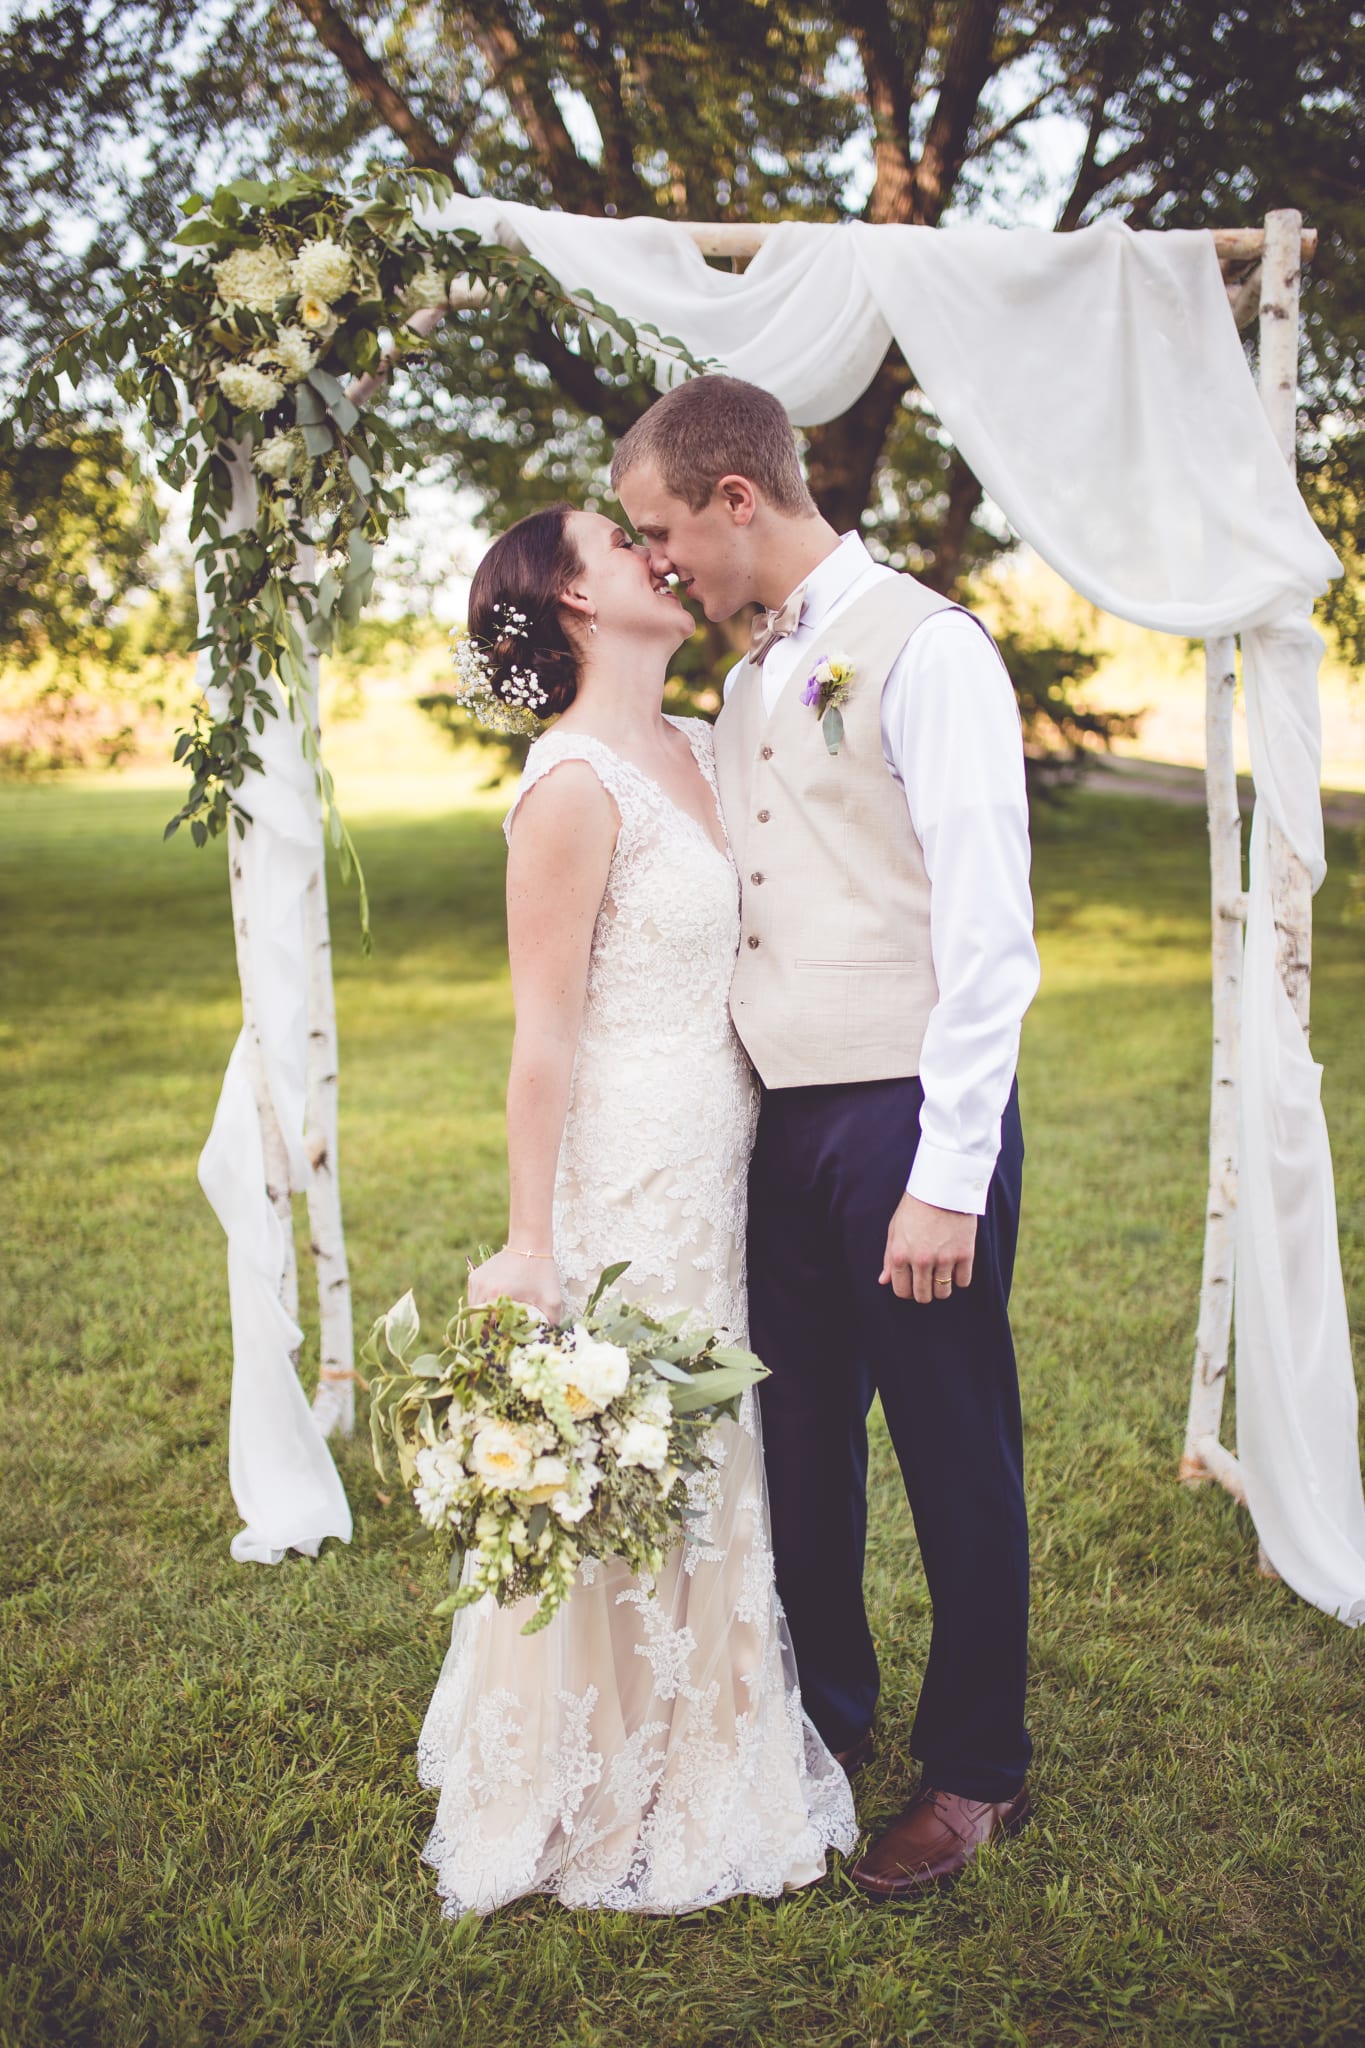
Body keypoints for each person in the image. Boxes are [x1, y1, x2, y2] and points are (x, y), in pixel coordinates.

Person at [613, 373, 1040, 1898]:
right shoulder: (744, 680)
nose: (656, 560)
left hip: (905, 1116)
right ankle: (822, 1722)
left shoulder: (928, 653)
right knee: (799, 1447)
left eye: (663, 530)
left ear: (737, 499)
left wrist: (944, 1176)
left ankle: (979, 1768)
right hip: (776, 1127)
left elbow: (992, 939)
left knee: (949, 1446)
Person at [417, 502, 856, 1916]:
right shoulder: (569, 785)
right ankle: (591, 1767)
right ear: (572, 601)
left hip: (731, 1148)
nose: (654, 552)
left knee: (714, 1444)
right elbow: (541, 1036)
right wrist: (532, 1245)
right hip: (628, 1166)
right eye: (617, 542)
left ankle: (708, 1728)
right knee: (638, 1448)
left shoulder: (700, 744)